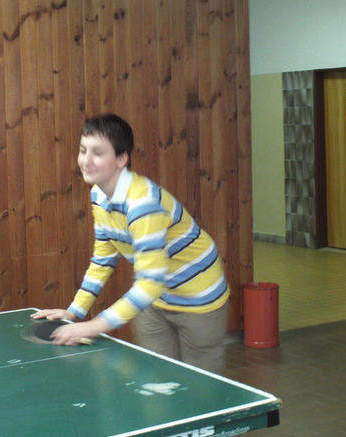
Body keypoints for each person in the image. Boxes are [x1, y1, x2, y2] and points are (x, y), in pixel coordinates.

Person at [32, 113, 230, 372]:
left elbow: (151, 282)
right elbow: (103, 259)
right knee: (155, 380)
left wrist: (93, 327)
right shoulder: (98, 195)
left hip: (198, 296)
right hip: (154, 299)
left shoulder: (142, 203)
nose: (86, 160)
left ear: (121, 159)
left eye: (97, 153)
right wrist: (74, 312)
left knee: (199, 386)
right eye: (83, 150)